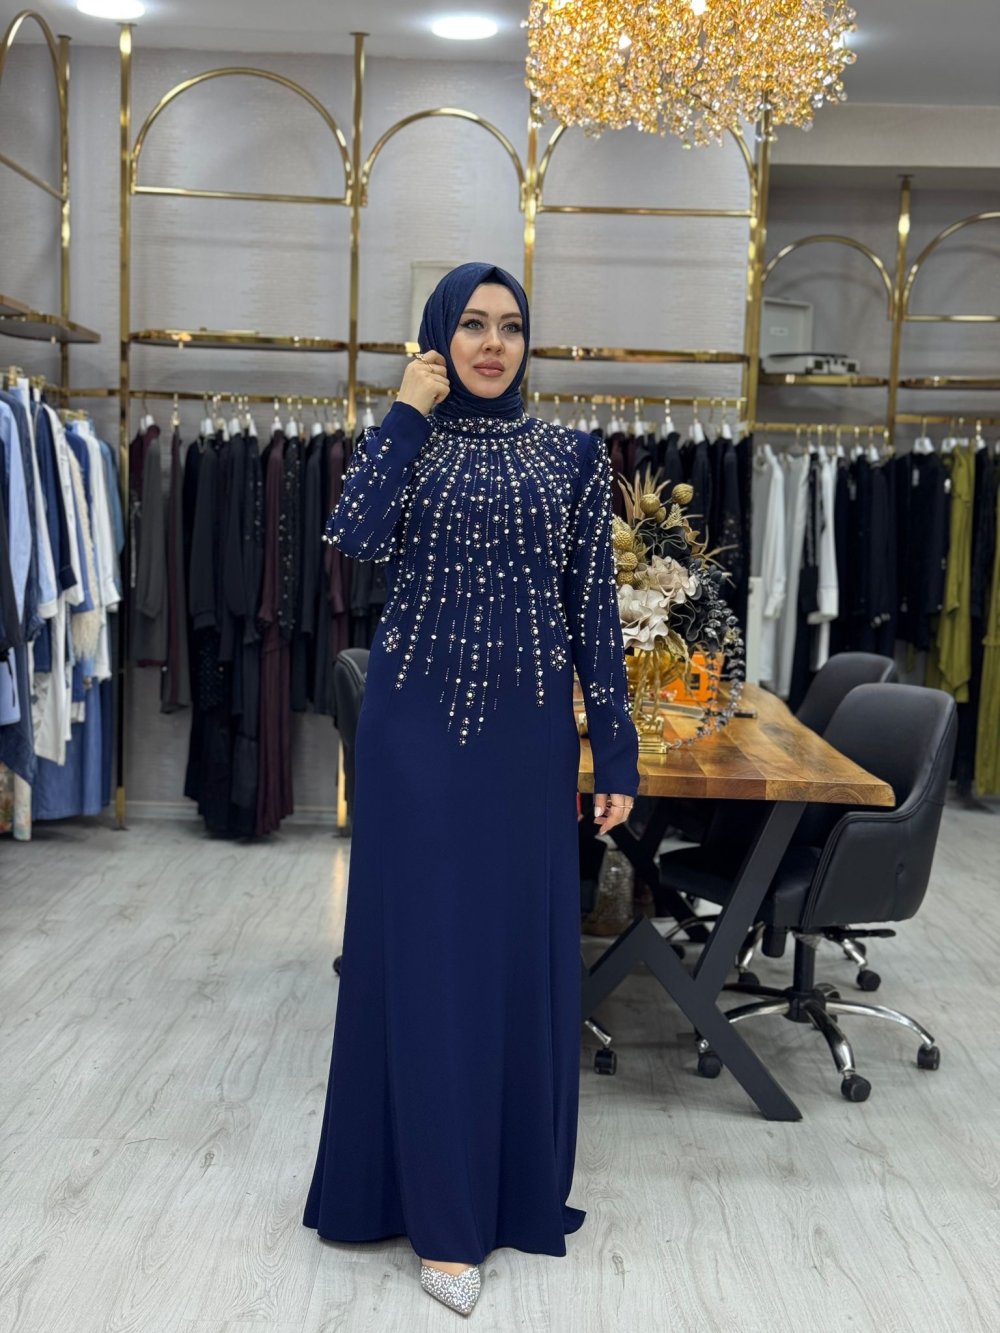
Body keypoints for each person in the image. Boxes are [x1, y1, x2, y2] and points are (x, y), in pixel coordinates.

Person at [303, 261, 640, 1315]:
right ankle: (437, 1217)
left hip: (526, 744)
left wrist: (616, 753)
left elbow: (594, 611)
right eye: (473, 325)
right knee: (424, 961)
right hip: (414, 741)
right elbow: (350, 541)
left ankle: (501, 1185)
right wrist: (406, 412)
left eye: (512, 326)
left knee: (510, 961)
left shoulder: (571, 455)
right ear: (439, 336)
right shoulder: (407, 441)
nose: (494, 344)